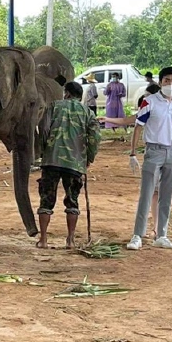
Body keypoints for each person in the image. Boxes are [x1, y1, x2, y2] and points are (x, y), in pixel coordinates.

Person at [126, 67, 172, 251]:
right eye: (167, 81)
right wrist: (133, 152)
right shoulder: (149, 102)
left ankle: (161, 234)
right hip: (154, 150)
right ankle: (137, 235)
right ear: (160, 82)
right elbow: (138, 127)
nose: (171, 85)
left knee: (167, 195)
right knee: (147, 194)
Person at [36, 80, 101, 249]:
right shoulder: (87, 112)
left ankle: (43, 240)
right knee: (72, 201)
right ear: (80, 96)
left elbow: (43, 129)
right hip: (75, 163)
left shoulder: (54, 106)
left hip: (51, 160)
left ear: (67, 93)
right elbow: (94, 138)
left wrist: (43, 150)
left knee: (46, 200)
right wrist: (89, 158)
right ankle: (70, 240)